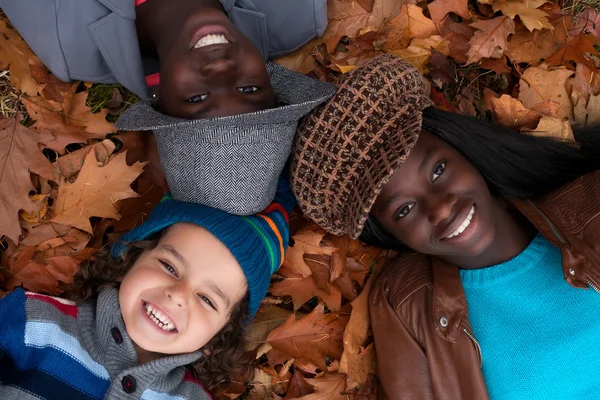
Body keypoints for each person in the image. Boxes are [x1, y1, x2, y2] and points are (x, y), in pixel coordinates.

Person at [289, 54, 600, 399]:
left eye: (438, 170)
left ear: (463, 149)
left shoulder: (593, 203)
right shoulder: (407, 306)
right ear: (390, 232)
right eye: (404, 209)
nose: (439, 207)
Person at [0, 177, 295, 399]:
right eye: (169, 267)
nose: (178, 295)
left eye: (207, 299)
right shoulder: (34, 321)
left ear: (219, 337)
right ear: (129, 261)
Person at [0, 0, 328, 119]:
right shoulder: (295, 9)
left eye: (198, 97)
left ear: (159, 99)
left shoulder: (66, 39)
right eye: (249, 90)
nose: (221, 69)